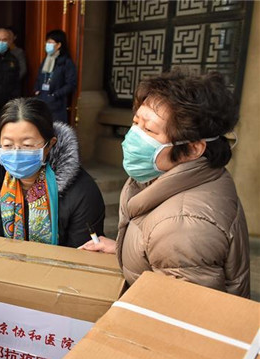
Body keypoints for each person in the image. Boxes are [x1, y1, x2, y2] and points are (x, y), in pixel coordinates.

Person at [80, 71, 250, 297]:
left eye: (149, 130)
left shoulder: (183, 229)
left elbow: (177, 314)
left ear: (192, 149)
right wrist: (122, 248)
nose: (133, 136)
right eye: (135, 122)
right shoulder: (185, 175)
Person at [0, 97, 105, 247]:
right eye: (8, 145)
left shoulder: (82, 192)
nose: (16, 153)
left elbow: (80, 253)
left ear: (50, 145)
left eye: (27, 145)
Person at [34, 30, 77, 123]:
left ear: (58, 45)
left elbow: (71, 84)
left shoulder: (66, 62)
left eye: (50, 42)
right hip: (42, 101)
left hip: (56, 105)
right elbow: (39, 77)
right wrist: (37, 90)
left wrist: (55, 95)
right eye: (47, 42)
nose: (47, 45)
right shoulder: (46, 60)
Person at [0, 27, 21, 134]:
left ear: (9, 42)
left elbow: (16, 83)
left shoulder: (13, 60)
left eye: (4, 40)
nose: (1, 43)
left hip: (7, 107)